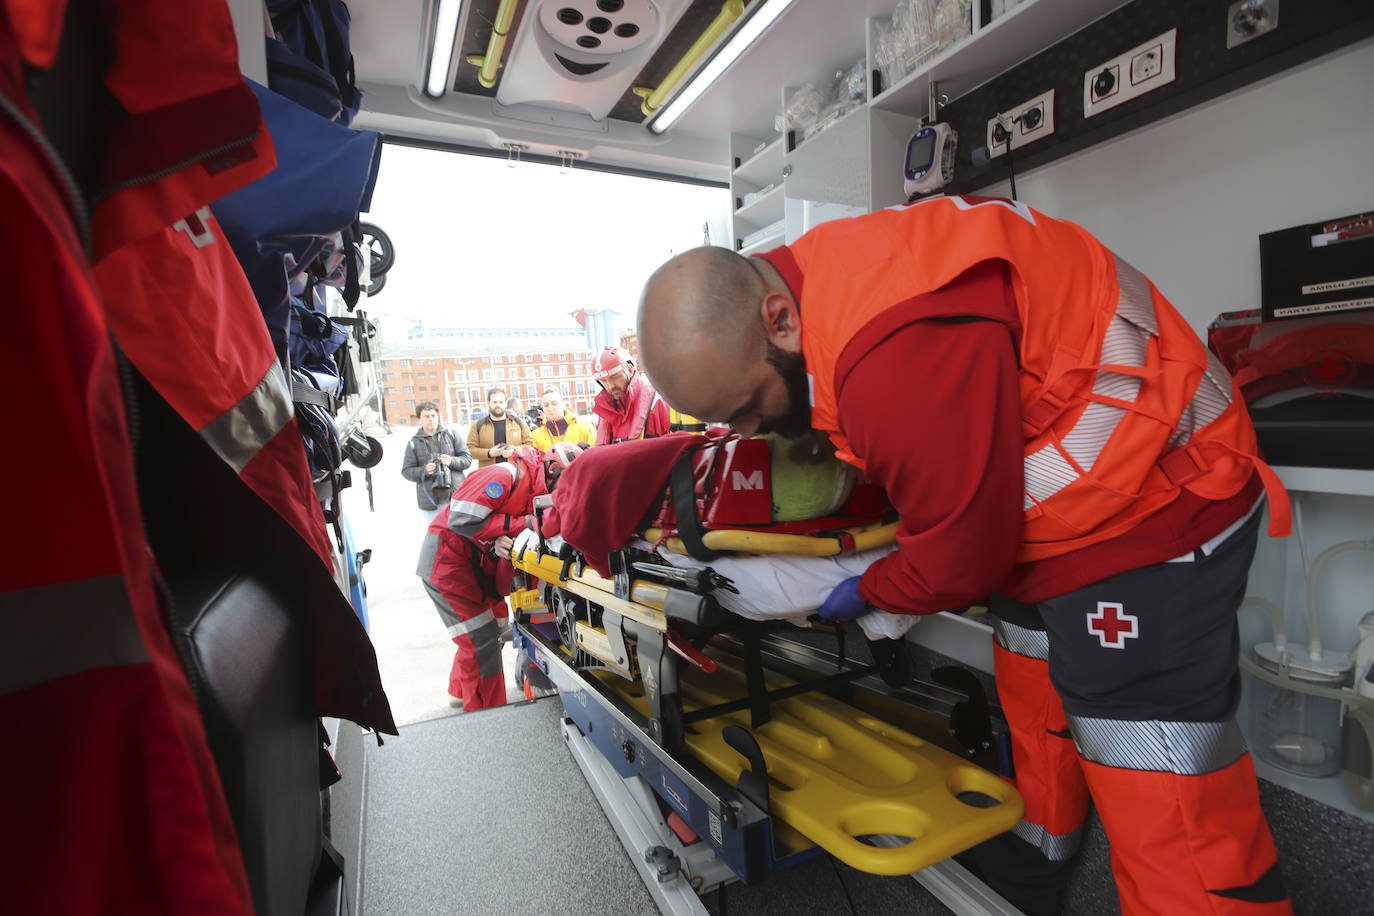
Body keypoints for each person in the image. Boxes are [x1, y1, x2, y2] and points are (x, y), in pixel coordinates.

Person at [636, 195, 1295, 916]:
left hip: (1160, 503)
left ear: (777, 321)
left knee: (1156, 778)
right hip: (1068, 519)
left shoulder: (889, 349)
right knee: (1033, 681)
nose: (748, 429)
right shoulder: (820, 285)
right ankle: (1037, 857)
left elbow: (959, 562)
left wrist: (868, 589)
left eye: (746, 405)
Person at [417, 443, 583, 710]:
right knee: (482, 640)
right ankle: (485, 714)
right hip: (448, 562)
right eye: (564, 487)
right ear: (552, 469)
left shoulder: (533, 493)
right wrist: (522, 525)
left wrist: (508, 539)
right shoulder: (504, 476)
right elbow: (460, 519)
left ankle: (460, 691)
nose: (561, 496)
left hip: (475, 564)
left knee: (491, 629)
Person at [400, 401, 472, 523]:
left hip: (456, 496)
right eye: (426, 416)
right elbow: (406, 471)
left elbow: (467, 459)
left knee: (461, 535)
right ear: (419, 419)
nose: (431, 419)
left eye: (433, 415)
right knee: (437, 537)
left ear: (438, 416)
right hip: (430, 501)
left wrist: (451, 461)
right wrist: (424, 470)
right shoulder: (414, 443)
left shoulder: (451, 435)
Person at [590, 346, 672, 445]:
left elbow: (671, 450)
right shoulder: (604, 411)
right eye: (604, 381)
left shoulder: (656, 402)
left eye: (615, 377)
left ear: (629, 369)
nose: (611, 386)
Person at [466, 387, 532, 468]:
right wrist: (489, 453)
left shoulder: (519, 423)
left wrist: (514, 450)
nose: (498, 405)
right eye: (494, 402)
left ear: (506, 403)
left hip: (515, 474)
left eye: (501, 402)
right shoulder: (477, 425)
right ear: (488, 402)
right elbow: (470, 450)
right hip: (489, 475)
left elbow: (530, 445)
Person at [532, 387, 596, 451]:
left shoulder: (586, 428)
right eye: (546, 405)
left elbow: (596, 456)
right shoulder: (535, 436)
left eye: (554, 404)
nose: (550, 408)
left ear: (562, 404)